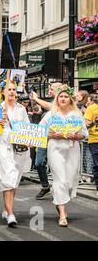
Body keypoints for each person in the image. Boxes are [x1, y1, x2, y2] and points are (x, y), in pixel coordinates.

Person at [40, 85, 88, 226]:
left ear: (70, 99)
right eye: (61, 96)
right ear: (57, 98)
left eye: (66, 96)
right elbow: (41, 131)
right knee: (60, 179)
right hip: (55, 149)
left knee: (70, 180)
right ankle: (62, 214)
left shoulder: (77, 115)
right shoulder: (51, 115)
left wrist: (75, 136)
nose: (63, 98)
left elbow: (84, 134)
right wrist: (53, 135)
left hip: (72, 150)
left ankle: (58, 199)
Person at [0, 81, 31, 228]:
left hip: (19, 149)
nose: (11, 92)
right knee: (8, 178)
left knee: (14, 180)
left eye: (14, 89)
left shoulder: (21, 109)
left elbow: (27, 128)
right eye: (8, 89)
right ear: (3, 91)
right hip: (5, 147)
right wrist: (0, 124)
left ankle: (6, 208)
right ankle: (10, 214)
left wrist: (30, 140)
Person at [30, 82, 62, 199]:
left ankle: (59, 189)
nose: (49, 90)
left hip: (58, 140)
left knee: (56, 165)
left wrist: (36, 98)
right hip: (44, 137)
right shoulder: (52, 103)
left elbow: (51, 107)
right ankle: (45, 186)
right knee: (38, 163)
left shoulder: (63, 102)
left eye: (52, 89)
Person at [84, 93, 98, 196]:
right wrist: (94, 121)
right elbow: (86, 124)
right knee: (97, 165)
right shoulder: (91, 108)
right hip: (95, 140)